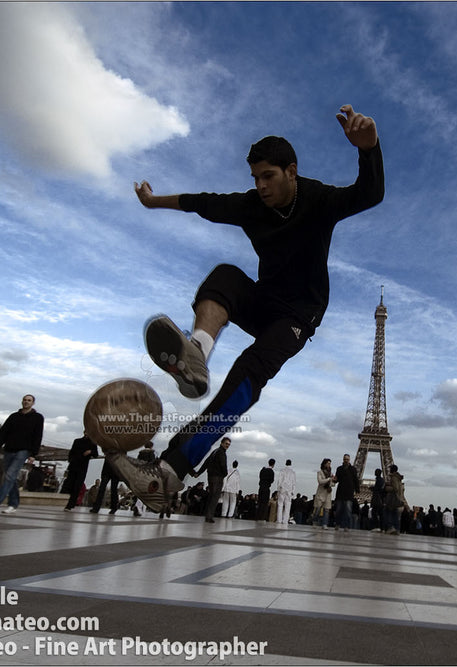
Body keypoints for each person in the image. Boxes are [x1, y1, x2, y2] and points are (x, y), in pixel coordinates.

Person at [116, 106, 384, 508]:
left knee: (249, 370)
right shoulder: (250, 206)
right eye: (255, 178)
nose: (260, 186)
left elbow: (369, 193)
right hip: (264, 301)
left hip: (298, 316)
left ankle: (169, 473)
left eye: (268, 176)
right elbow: (200, 202)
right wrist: (153, 202)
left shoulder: (320, 199)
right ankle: (197, 352)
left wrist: (369, 149)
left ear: (291, 171)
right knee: (225, 276)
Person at [0, 395, 44, 515]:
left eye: (29, 400)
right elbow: (3, 433)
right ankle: (13, 504)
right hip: (9, 449)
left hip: (24, 450)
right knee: (10, 477)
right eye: (25, 400)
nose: (26, 402)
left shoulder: (37, 418)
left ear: (33, 403)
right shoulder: (13, 416)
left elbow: (38, 435)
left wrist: (33, 453)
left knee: (10, 475)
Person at [194, 437, 231, 523]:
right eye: (226, 444)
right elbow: (223, 465)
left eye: (228, 444)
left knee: (211, 496)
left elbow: (206, 462)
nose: (227, 446)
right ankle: (209, 516)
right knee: (215, 496)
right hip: (217, 477)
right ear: (222, 443)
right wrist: (224, 474)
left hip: (211, 476)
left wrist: (199, 473)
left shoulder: (215, 451)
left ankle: (207, 515)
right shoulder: (222, 453)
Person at [63, 433, 98, 511]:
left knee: (77, 486)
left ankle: (71, 504)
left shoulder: (92, 443)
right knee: (70, 484)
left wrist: (90, 452)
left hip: (82, 467)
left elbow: (96, 454)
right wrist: (70, 460)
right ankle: (69, 501)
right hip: (74, 465)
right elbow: (72, 452)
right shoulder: (77, 441)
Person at [334, 453, 360, 531]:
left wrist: (357, 489)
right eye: (345, 459)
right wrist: (334, 480)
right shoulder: (339, 469)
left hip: (349, 493)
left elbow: (356, 479)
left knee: (348, 510)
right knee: (339, 510)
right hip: (340, 492)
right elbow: (337, 479)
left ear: (349, 460)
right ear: (343, 459)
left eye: (347, 459)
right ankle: (338, 524)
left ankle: (347, 526)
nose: (346, 461)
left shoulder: (353, 469)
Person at [384, 464, 408, 535]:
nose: (389, 470)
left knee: (387, 512)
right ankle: (397, 529)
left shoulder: (394, 477)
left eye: (390, 468)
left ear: (392, 469)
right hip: (398, 498)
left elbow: (395, 488)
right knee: (395, 515)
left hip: (393, 499)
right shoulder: (398, 478)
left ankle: (390, 527)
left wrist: (386, 488)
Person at [311, 458, 334, 528]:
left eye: (330, 463)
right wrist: (329, 479)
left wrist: (334, 481)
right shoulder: (320, 472)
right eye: (328, 463)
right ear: (324, 464)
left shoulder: (331, 473)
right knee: (318, 509)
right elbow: (320, 481)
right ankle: (314, 521)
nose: (329, 465)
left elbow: (332, 484)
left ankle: (324, 524)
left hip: (327, 493)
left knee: (326, 509)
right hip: (321, 492)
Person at [275, 459, 297, 525]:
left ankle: (279, 520)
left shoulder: (282, 470)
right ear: (291, 464)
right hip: (289, 490)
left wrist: (278, 489)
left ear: (285, 463)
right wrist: (293, 491)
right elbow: (294, 482)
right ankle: (285, 520)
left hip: (282, 489)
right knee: (288, 506)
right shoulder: (293, 472)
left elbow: (279, 480)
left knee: (280, 504)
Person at [371, 467, 386, 532]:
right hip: (381, 499)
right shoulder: (382, 480)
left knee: (374, 512)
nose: (375, 473)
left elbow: (378, 489)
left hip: (377, 498)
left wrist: (373, 489)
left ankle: (377, 526)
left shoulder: (379, 480)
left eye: (376, 472)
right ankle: (382, 528)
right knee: (381, 514)